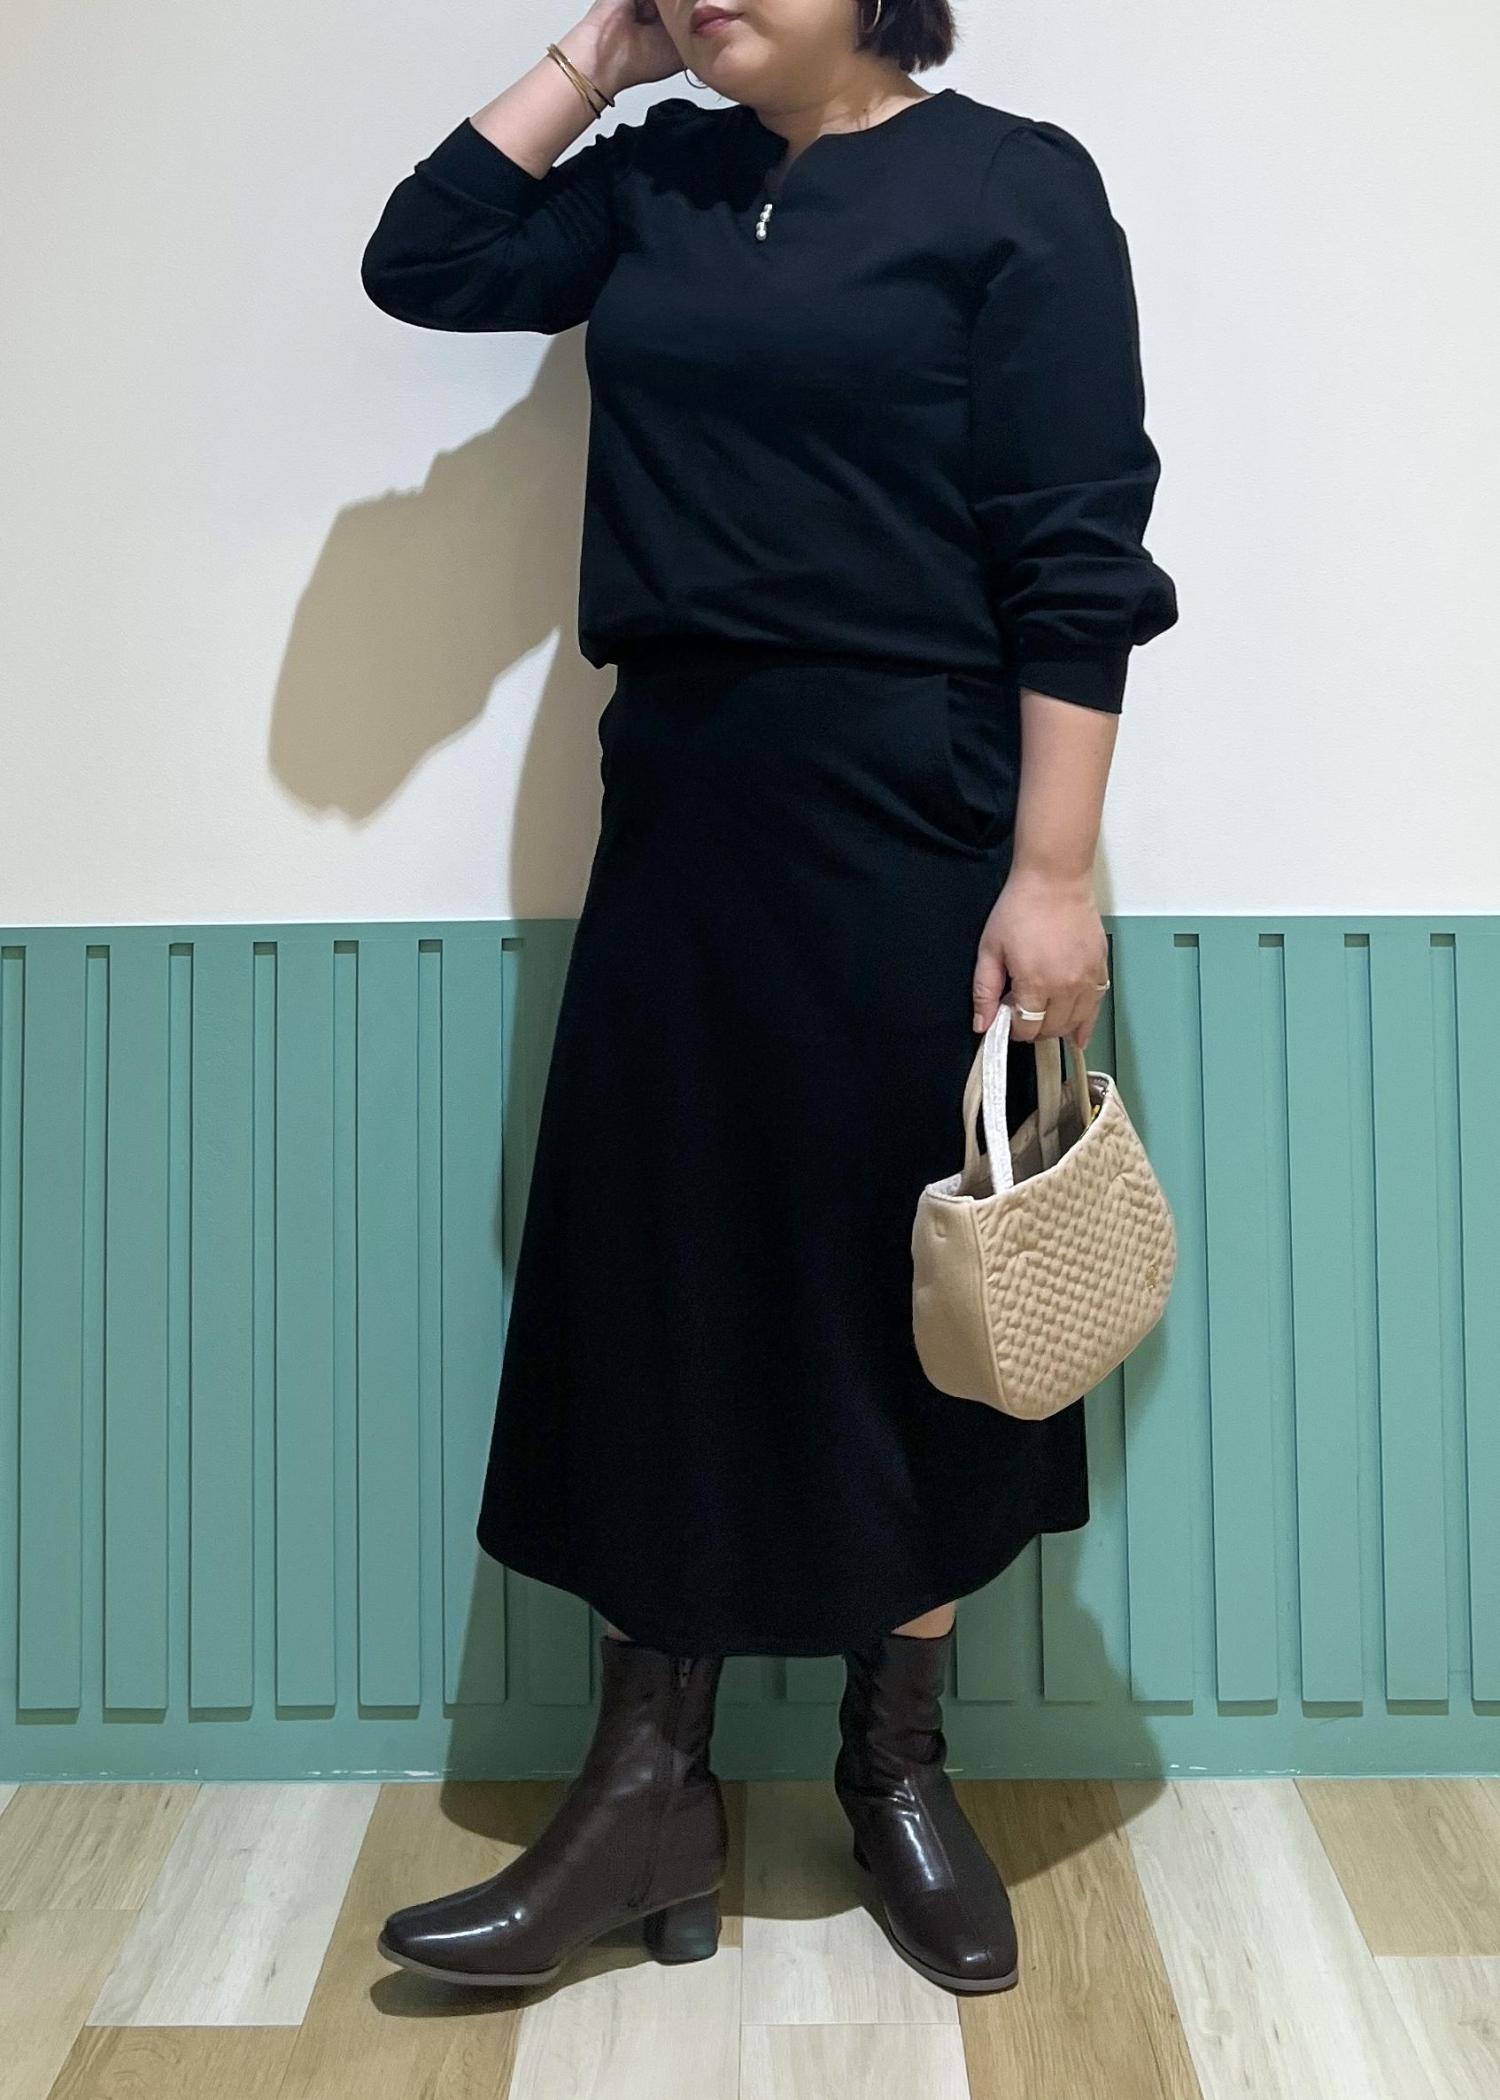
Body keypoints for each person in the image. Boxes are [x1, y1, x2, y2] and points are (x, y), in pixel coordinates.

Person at [359, 0, 1177, 1999]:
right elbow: (428, 259)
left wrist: (1052, 871)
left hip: (917, 820)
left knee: (911, 1297)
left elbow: (1077, 555)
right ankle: (648, 1787)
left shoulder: (1012, 190)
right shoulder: (658, 180)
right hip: (681, 815)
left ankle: (895, 1768)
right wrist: (604, 53)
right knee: (664, 1279)